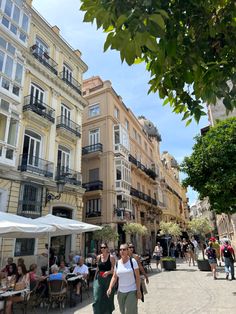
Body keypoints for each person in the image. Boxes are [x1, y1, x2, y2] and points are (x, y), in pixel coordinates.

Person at [107, 243, 141, 314]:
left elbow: (138, 277)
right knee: (122, 312)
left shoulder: (133, 261)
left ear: (128, 251)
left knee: (129, 311)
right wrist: (110, 287)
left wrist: (138, 290)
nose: (122, 251)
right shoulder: (117, 263)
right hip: (121, 292)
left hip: (132, 290)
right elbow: (114, 276)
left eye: (124, 249)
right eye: (120, 250)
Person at [93, 242, 115, 314]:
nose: (102, 249)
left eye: (104, 247)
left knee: (108, 298)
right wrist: (94, 278)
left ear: (107, 248)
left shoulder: (111, 257)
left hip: (108, 279)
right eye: (101, 248)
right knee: (97, 298)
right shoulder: (98, 257)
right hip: (99, 279)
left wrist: (108, 272)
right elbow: (97, 268)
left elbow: (114, 271)